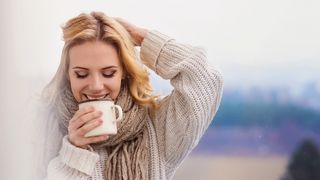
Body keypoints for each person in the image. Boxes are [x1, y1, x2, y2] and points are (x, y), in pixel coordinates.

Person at [39, 11, 223, 180]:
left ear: (124, 72)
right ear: (68, 75)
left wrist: (143, 38)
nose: (96, 86)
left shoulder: (157, 127)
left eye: (109, 73)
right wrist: (75, 152)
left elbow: (206, 79)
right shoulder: (46, 125)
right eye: (81, 74)